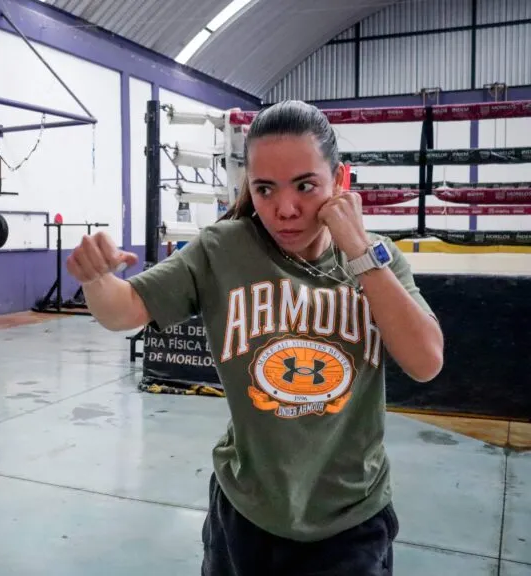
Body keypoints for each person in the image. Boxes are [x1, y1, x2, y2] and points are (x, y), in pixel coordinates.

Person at [67, 99, 444, 575]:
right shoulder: (224, 249)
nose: (285, 209)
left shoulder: (378, 259)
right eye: (265, 190)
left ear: (340, 181)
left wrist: (360, 253)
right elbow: (125, 311)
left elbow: (426, 361)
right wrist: (96, 278)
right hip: (247, 514)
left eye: (306, 186)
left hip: (351, 521)